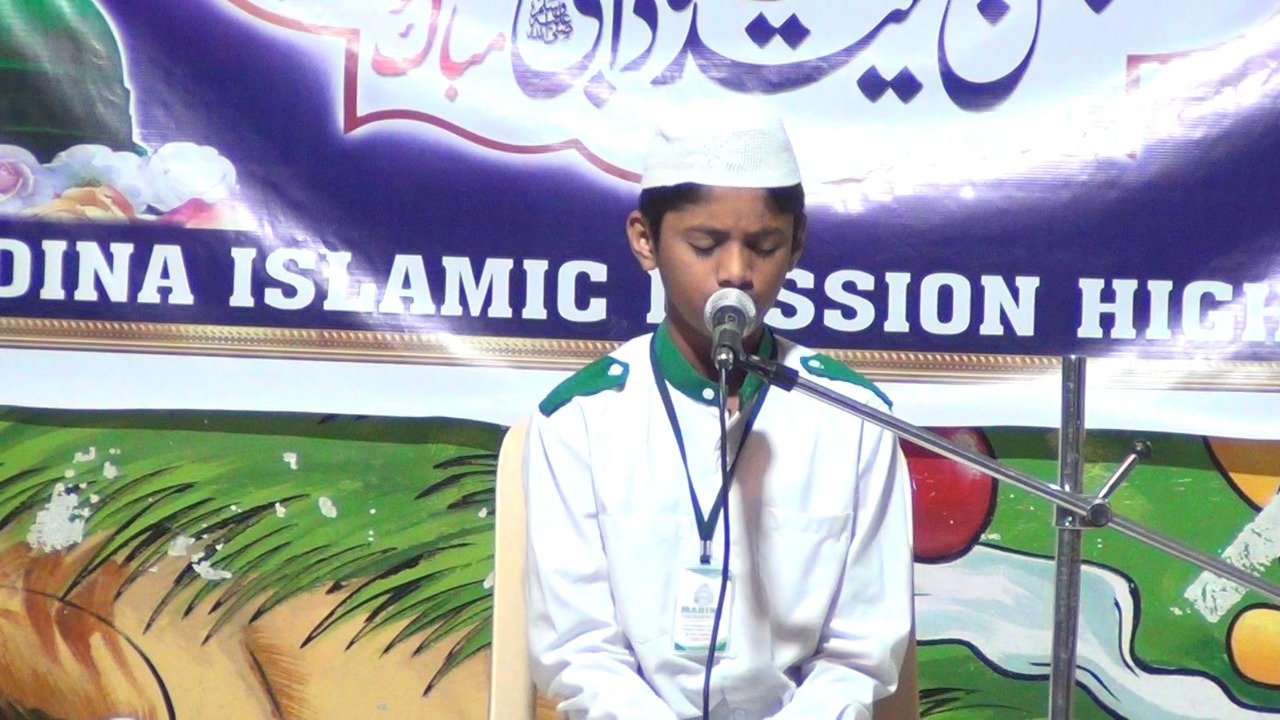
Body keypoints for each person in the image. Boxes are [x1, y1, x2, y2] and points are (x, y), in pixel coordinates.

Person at [524, 106, 914, 720]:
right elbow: (580, 651)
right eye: (705, 245)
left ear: (797, 243)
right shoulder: (579, 421)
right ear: (645, 240)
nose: (736, 273)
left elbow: (859, 655)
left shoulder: (854, 420)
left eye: (764, 245)